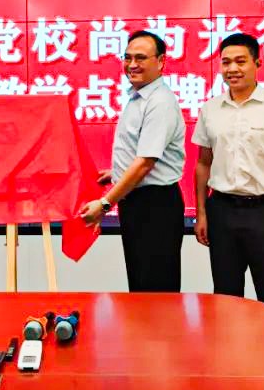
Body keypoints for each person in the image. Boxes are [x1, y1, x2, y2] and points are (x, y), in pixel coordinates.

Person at [192, 33, 264, 311]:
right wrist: (201, 213)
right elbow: (203, 164)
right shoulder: (211, 109)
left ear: (258, 63)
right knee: (225, 292)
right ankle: (228, 341)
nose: (232, 69)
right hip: (222, 210)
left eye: (240, 61)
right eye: (226, 62)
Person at [80, 30, 186, 292]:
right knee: (140, 284)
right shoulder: (139, 96)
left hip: (155, 205)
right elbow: (140, 154)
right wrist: (115, 172)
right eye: (127, 58)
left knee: (156, 289)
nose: (132, 64)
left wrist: (105, 204)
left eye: (141, 58)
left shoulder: (159, 102)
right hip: (138, 201)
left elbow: (145, 163)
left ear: (160, 61)